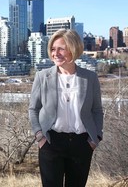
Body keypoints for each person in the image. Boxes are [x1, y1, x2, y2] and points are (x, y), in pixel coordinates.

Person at [28, 29, 104, 187]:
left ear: (74, 48)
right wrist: (39, 137)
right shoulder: (42, 77)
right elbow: (33, 109)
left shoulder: (90, 78)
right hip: (51, 142)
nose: (56, 53)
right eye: (53, 49)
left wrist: (95, 139)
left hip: (82, 144)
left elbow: (97, 110)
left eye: (61, 48)